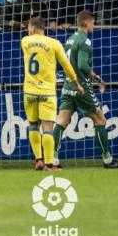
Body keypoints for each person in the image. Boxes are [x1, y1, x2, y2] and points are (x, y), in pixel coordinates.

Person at [51, 11, 118, 168]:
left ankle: (53, 158)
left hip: (68, 86)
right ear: (86, 23)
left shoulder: (70, 39)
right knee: (100, 120)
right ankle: (107, 159)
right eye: (93, 22)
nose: (93, 25)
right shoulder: (85, 41)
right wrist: (98, 79)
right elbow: (82, 65)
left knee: (62, 121)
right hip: (82, 87)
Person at [21, 16, 84, 171]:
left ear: (33, 28)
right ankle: (49, 164)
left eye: (29, 27)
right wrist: (76, 82)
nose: (28, 30)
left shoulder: (25, 42)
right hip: (47, 92)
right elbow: (66, 65)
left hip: (29, 91)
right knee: (48, 128)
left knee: (33, 125)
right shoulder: (54, 43)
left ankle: (38, 160)